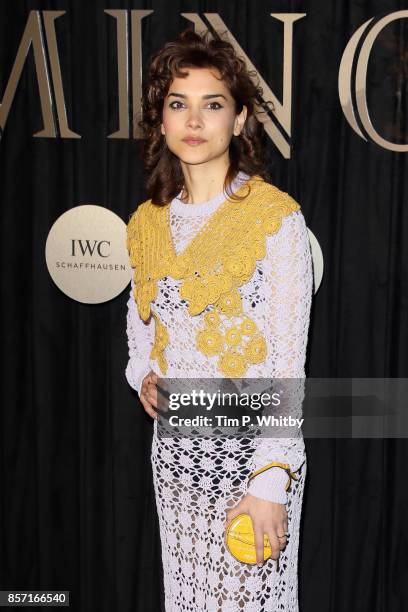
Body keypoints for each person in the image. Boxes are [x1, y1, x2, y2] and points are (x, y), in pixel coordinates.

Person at [125, 28, 313, 612]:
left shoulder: (275, 220)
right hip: (178, 459)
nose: (194, 120)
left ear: (239, 120)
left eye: (213, 104)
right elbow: (142, 332)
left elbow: (287, 365)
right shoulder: (146, 224)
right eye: (178, 104)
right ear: (161, 120)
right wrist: (145, 377)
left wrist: (270, 483)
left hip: (253, 457)